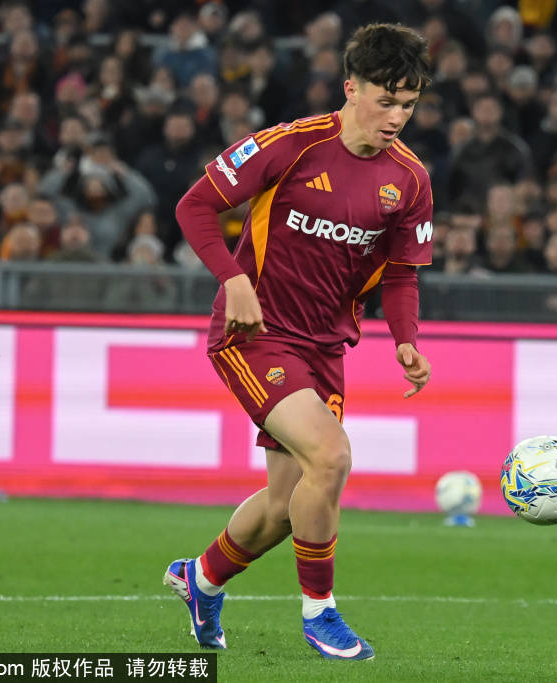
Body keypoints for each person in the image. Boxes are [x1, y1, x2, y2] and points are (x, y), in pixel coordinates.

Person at [164, 23, 434, 660]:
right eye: (386, 100)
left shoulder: (410, 179)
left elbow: (401, 273)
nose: (397, 117)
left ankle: (202, 579)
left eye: (408, 105)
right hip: (254, 332)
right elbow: (194, 207)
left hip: (325, 347)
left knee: (286, 506)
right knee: (332, 458)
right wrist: (234, 281)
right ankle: (321, 613)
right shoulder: (289, 145)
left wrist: (406, 339)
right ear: (351, 88)